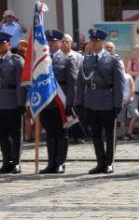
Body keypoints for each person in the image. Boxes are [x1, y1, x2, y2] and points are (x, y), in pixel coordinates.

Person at [75, 29, 126, 174]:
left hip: (107, 100)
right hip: (91, 99)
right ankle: (100, 162)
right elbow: (81, 82)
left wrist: (118, 103)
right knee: (95, 133)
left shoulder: (113, 59)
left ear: (102, 42)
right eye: (92, 40)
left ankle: (109, 163)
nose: (94, 43)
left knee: (109, 134)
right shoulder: (86, 59)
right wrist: (78, 101)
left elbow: (119, 83)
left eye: (97, 41)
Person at [38, 30, 79, 174]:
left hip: (61, 102)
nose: (51, 44)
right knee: (50, 133)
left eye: (54, 41)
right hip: (45, 102)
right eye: (49, 41)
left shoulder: (67, 59)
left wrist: (70, 103)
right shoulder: (41, 60)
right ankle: (51, 163)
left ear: (60, 42)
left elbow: (72, 83)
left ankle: (60, 163)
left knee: (61, 133)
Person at [0, 31, 26, 174]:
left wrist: (21, 103)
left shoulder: (16, 60)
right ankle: (6, 161)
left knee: (15, 134)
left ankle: (16, 162)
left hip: (12, 101)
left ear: (8, 44)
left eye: (2, 43)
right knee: (2, 134)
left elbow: (21, 83)